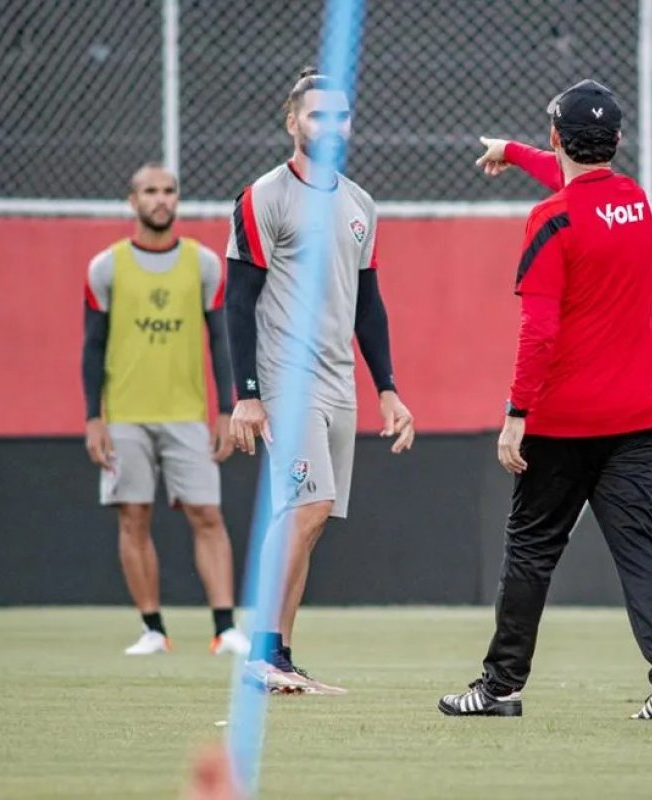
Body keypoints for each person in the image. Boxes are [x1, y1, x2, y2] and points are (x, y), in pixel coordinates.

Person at [439, 80, 652, 720]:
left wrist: (515, 415)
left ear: (557, 136)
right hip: (639, 418)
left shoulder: (550, 219)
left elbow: (540, 330)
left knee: (530, 551)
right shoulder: (636, 201)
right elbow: (577, 177)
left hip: (563, 422)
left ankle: (500, 689)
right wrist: (515, 151)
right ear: (617, 140)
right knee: (640, 552)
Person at [225, 68, 415, 694]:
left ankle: (275, 656)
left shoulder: (360, 203)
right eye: (316, 116)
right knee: (306, 508)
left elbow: (368, 303)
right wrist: (246, 394)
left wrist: (387, 385)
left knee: (314, 514)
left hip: (339, 383)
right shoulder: (265, 196)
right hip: (287, 376)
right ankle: (259, 651)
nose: (330, 127)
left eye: (341, 116)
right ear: (292, 122)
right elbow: (238, 300)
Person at [82, 163, 250, 658]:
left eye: (169, 191)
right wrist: (94, 416)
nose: (161, 199)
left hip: (186, 415)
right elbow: (93, 347)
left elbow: (220, 338)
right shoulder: (106, 267)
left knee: (207, 515)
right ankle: (153, 628)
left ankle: (225, 628)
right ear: (132, 201)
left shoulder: (202, 265)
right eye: (150, 192)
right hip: (126, 415)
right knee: (133, 517)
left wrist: (225, 408)